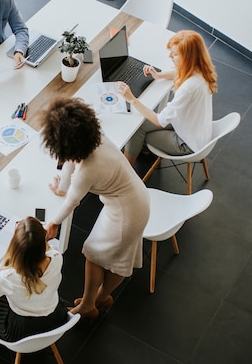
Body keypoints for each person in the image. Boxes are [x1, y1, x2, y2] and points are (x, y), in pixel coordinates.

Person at [41, 98, 150, 319]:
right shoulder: (95, 139)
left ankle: (90, 305)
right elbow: (71, 161)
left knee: (95, 254)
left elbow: (73, 201)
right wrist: (62, 187)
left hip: (126, 214)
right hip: (136, 199)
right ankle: (100, 298)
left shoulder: (87, 171)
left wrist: (53, 223)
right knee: (117, 256)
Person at [0, 216, 68, 355]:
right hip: (55, 318)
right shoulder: (57, 257)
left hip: (20, 332)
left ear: (15, 247)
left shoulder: (7, 278)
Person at [118, 29, 218, 165]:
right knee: (139, 127)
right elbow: (180, 72)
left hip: (187, 143)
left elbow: (159, 121)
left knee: (138, 132)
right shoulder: (201, 70)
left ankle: (125, 170)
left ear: (188, 59)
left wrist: (131, 99)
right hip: (194, 129)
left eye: (175, 54)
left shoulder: (188, 88)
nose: (170, 56)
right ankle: (133, 154)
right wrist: (159, 75)